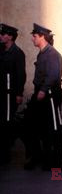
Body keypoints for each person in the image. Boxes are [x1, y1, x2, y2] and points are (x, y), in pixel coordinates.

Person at [24, 23, 62, 170]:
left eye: (34, 36)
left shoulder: (52, 54)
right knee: (35, 126)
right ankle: (40, 157)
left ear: (42, 37)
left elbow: (53, 75)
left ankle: (56, 163)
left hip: (50, 95)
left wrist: (43, 90)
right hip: (41, 93)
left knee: (53, 128)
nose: (32, 39)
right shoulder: (42, 53)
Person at [0, 23, 26, 164]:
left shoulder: (17, 53)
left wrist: (19, 94)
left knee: (8, 122)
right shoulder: (1, 50)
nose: (0, 36)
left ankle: (5, 154)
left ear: (10, 37)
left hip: (10, 94)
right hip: (2, 93)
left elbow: (21, 75)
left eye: (3, 34)